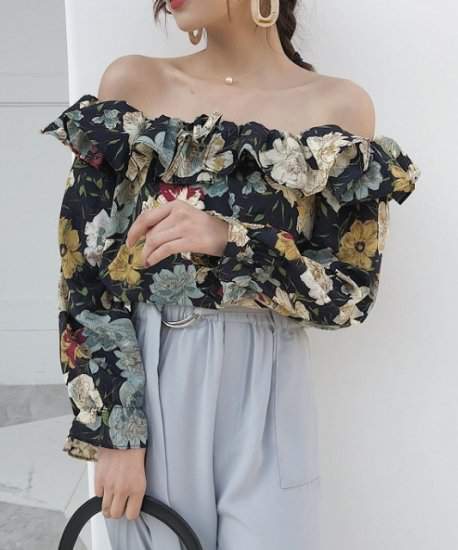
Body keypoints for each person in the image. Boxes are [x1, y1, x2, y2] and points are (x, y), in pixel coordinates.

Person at [40, 0, 421, 548]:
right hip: (154, 371)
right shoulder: (134, 84)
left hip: (272, 386)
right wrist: (116, 433)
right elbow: (86, 273)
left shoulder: (338, 107)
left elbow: (348, 297)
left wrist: (232, 239)